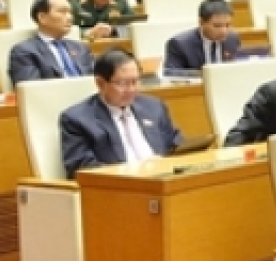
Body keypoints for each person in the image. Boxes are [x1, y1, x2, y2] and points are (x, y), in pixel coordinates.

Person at [60, 50, 184, 178]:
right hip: (121, 188)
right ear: (100, 83)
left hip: (165, 179)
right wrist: (135, 170)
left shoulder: (154, 106)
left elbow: (176, 145)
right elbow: (80, 169)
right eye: (123, 83)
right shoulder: (77, 119)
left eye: (135, 81)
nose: (131, 90)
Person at [9, 0, 94, 84]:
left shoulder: (80, 48)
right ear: (42, 18)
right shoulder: (24, 51)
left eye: (70, 12)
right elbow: (31, 91)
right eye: (62, 12)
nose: (70, 17)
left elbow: (98, 79)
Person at [164, 0, 241, 72]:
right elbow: (172, 74)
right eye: (217, 26)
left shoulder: (232, 38)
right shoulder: (179, 44)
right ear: (201, 22)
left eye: (227, 25)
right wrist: (206, 74)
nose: (223, 31)